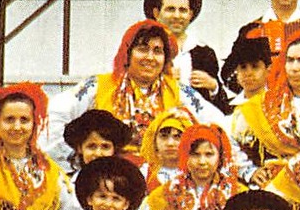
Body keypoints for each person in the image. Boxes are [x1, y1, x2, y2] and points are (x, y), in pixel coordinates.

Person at [48, 20, 223, 164]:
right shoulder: (99, 85)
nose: (150, 57)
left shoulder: (179, 92)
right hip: (108, 179)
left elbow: (217, 124)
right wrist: (72, 157)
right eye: (142, 49)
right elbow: (55, 113)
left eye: (158, 51)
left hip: (160, 180)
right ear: (127, 53)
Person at [230, 34, 300, 179]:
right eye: (290, 60)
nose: (294, 67)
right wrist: (249, 171)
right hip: (277, 187)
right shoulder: (262, 104)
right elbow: (230, 143)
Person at [144, 0, 229, 113]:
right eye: (170, 9)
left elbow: (220, 107)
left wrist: (213, 87)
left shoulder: (203, 52)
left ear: (190, 14)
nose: (177, 16)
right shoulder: (143, 50)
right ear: (156, 13)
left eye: (183, 10)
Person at [138, 106, 196, 191]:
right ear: (154, 141)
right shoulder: (144, 173)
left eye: (177, 137)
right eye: (164, 136)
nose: (170, 143)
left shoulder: (197, 174)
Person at [60, 108, 130, 177]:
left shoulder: (127, 183)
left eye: (105, 147)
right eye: (91, 146)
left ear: (114, 149)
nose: (98, 153)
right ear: (79, 148)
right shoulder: (66, 186)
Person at [220, 31, 273, 112]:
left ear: (268, 70)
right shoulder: (227, 109)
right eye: (243, 67)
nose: (248, 73)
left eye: (255, 67)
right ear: (236, 71)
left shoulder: (278, 106)